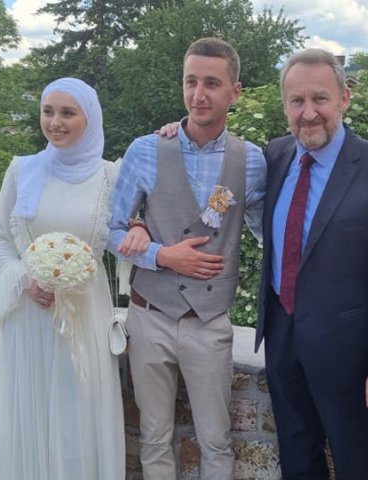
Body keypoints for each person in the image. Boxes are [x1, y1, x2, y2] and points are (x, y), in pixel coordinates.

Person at [253, 49, 368, 479]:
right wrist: (175, 133)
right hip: (282, 341)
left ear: (344, 98)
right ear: (285, 105)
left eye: (320, 99)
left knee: (351, 467)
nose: (308, 113)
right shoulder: (275, 156)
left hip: (349, 357)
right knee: (296, 460)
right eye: (297, 101)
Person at [109, 37, 266, 479]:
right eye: (190, 81)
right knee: (154, 436)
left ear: (234, 91)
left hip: (210, 320)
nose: (198, 94)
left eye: (211, 83)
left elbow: (267, 233)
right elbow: (111, 231)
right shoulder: (146, 149)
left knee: (216, 439)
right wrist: (161, 255)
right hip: (148, 315)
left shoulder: (252, 160)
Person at [0, 78, 126, 480]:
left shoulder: (110, 177)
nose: (55, 122)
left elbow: (123, 242)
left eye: (67, 113)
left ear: (90, 118)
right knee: (30, 416)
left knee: (78, 415)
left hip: (84, 319)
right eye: (48, 111)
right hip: (29, 317)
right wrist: (25, 280)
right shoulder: (22, 169)